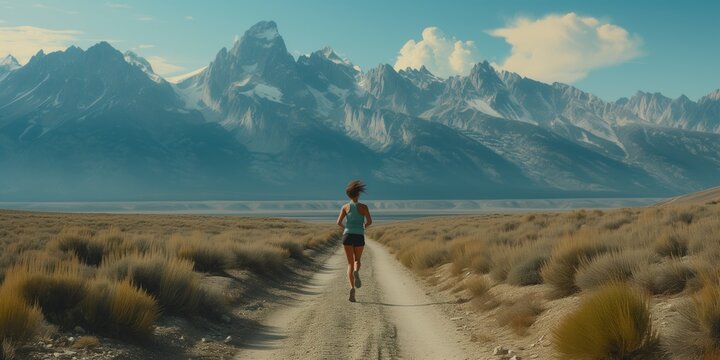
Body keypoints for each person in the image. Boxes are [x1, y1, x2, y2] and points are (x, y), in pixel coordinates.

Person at [336, 180, 372, 302]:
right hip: (359, 236)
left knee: (349, 263)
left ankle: (352, 288)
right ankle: (357, 271)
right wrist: (362, 228)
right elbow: (369, 222)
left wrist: (346, 228)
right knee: (357, 260)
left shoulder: (345, 207)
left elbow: (338, 223)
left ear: (348, 195)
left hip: (347, 235)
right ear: (358, 194)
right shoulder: (364, 207)